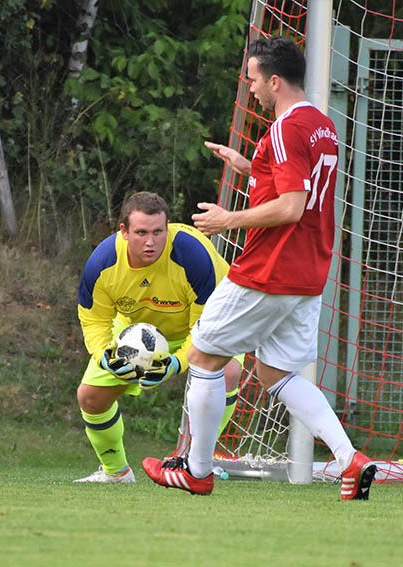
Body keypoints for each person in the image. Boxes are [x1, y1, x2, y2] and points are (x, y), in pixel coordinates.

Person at [142, 36, 378, 499]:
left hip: (270, 268)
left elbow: (291, 207)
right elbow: (301, 190)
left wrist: (228, 220)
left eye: (252, 79)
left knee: (204, 356)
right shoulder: (320, 125)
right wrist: (252, 167)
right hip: (308, 272)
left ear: (274, 80)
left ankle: (197, 468)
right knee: (276, 373)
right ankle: (350, 459)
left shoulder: (286, 129)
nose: (249, 88)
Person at [74, 191, 243, 483]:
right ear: (124, 232)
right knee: (89, 397)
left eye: (157, 232)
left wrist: (175, 363)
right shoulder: (102, 263)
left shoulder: (192, 256)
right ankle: (116, 473)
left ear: (167, 228)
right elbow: (94, 321)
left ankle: (197, 463)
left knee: (227, 371)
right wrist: (105, 356)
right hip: (137, 331)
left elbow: (205, 329)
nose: (150, 241)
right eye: (141, 232)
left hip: (210, 323)